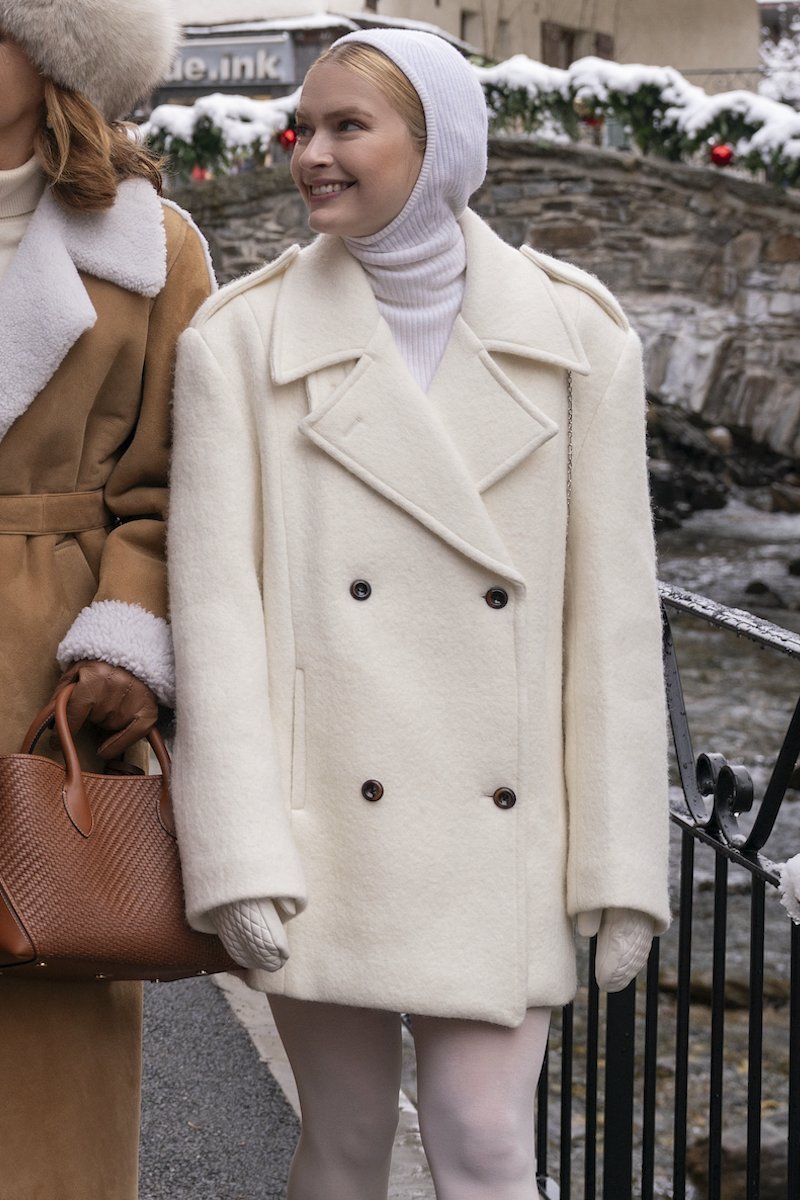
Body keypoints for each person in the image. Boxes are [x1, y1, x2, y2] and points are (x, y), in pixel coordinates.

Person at [169, 28, 670, 1200]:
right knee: (342, 1147)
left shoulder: (577, 337)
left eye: (349, 126)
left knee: (484, 1147)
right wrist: (238, 856)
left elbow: (607, 635)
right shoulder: (239, 342)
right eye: (305, 127)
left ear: (437, 144)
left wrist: (619, 872)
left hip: (510, 843)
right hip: (324, 831)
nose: (312, 154)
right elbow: (219, 620)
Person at [0, 2, 215, 1197]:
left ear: (61, 62)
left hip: (47, 675)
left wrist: (125, 644)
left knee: (47, 998)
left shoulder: (153, 247)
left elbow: (178, 484)